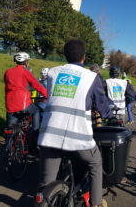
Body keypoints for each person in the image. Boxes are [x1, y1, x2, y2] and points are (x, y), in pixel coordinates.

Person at [37, 40, 113, 207]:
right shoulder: (91, 77)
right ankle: (96, 203)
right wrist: (108, 113)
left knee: (46, 183)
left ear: (65, 56)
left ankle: (44, 198)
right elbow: (101, 105)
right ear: (84, 57)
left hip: (49, 135)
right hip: (78, 138)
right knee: (95, 163)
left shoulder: (52, 73)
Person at [4, 52, 47, 140]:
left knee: (11, 126)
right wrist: (47, 95)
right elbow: (36, 85)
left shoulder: (8, 72)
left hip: (10, 102)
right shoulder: (25, 72)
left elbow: (7, 86)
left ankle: (9, 146)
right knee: (36, 110)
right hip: (23, 103)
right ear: (26, 62)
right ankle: (35, 135)